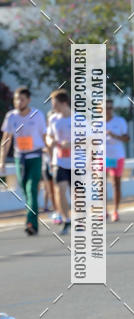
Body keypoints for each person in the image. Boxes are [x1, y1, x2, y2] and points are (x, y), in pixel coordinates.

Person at [0, 87, 47, 235]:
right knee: (26, 192)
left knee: (31, 189)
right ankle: (33, 222)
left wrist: (50, 156)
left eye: (21, 99)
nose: (18, 102)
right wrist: (1, 161)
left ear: (28, 100)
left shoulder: (37, 115)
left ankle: (30, 223)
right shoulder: (11, 117)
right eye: (16, 99)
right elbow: (6, 140)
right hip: (19, 158)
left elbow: (45, 137)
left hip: (35, 156)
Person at [46, 89, 72, 235]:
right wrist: (51, 142)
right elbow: (48, 137)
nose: (53, 107)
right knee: (60, 190)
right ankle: (66, 219)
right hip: (59, 161)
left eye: (55, 104)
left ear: (64, 103)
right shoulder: (53, 119)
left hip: (76, 162)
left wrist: (71, 144)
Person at [105, 99, 129, 222]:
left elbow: (127, 138)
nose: (108, 110)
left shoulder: (119, 121)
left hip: (116, 156)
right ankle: (103, 210)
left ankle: (115, 210)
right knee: (100, 184)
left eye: (110, 108)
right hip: (102, 156)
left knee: (116, 183)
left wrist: (115, 136)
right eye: (105, 108)